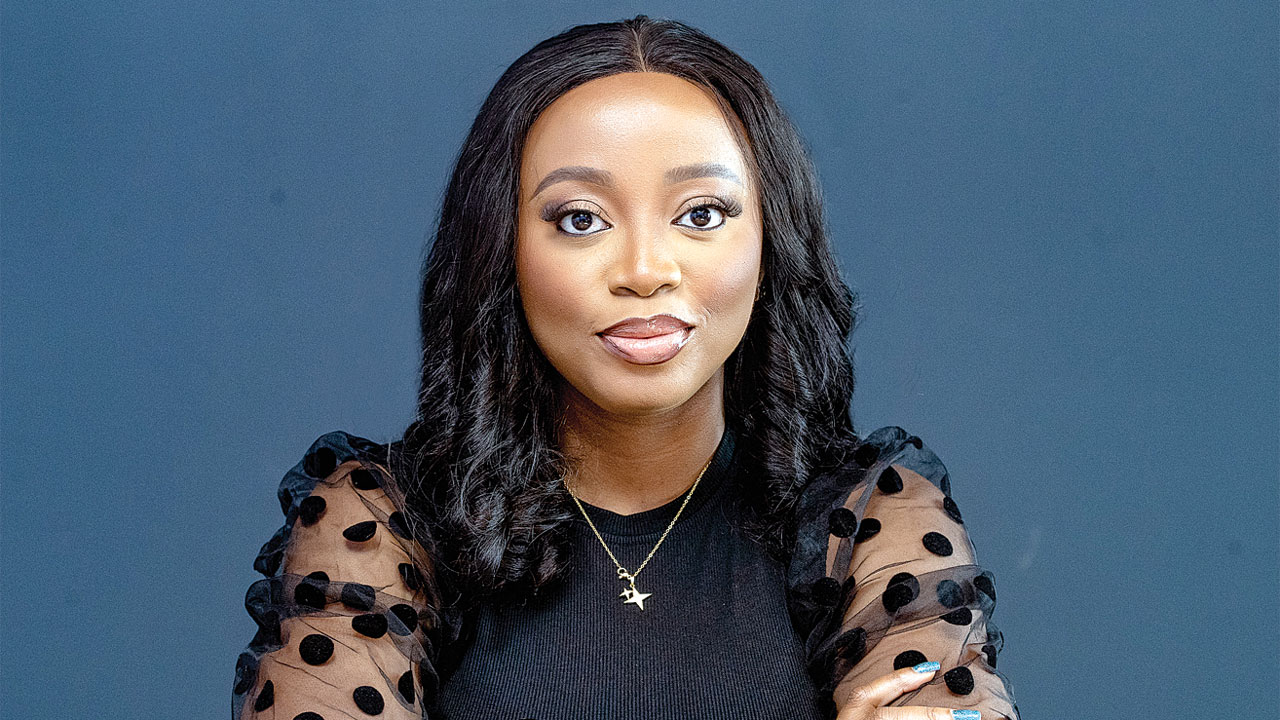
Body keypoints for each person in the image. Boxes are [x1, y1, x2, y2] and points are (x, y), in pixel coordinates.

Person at [231, 15, 1020, 720]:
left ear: (770, 243)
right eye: (581, 219)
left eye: (701, 214)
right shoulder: (382, 526)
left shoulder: (871, 518)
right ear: (502, 251)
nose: (645, 270)